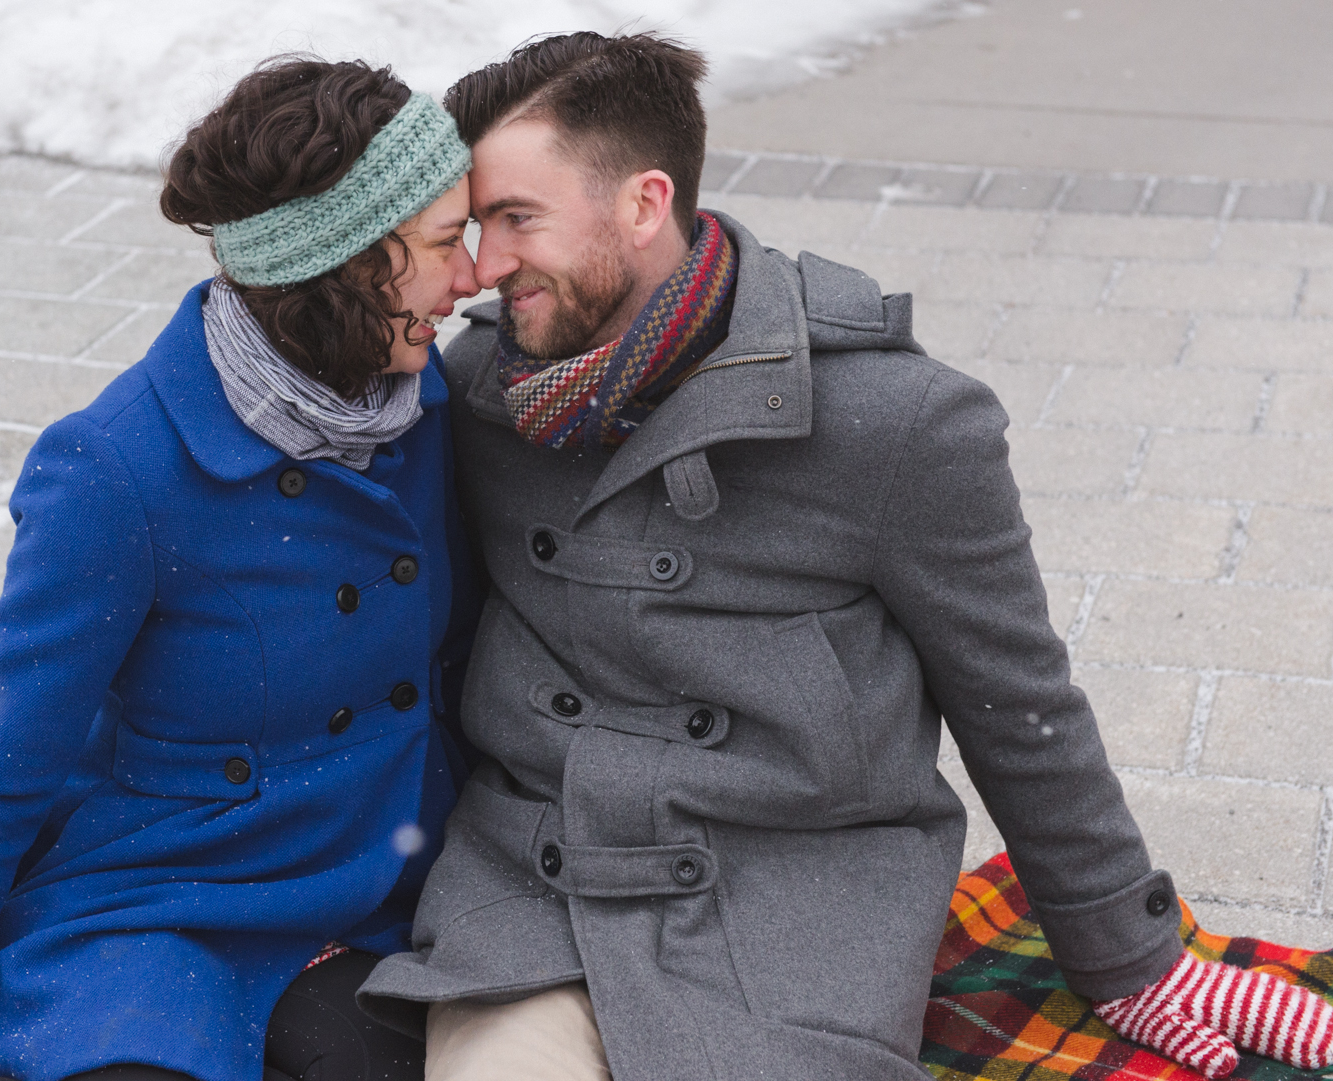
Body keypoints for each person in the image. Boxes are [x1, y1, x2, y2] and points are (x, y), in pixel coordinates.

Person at [356, 31, 1333, 1081]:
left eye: (516, 220)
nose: (482, 269)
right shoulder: (484, 393)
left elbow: (1019, 703)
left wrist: (1135, 957)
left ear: (643, 205)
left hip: (786, 916)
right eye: (476, 224)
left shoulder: (893, 422)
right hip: (534, 896)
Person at [0, 57, 480, 1081]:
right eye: (444, 244)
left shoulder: (422, 408)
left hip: (360, 896)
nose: (474, 275)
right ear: (345, 261)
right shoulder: (117, 470)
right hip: (153, 907)